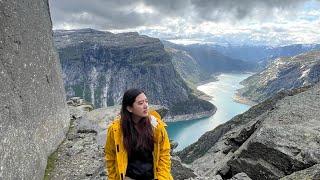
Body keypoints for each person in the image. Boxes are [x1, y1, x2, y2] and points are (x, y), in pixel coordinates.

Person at [105, 88, 173, 180]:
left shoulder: (156, 127)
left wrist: (162, 178)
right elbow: (111, 157)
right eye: (141, 103)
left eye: (146, 102)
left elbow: (164, 155)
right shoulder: (115, 130)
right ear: (129, 108)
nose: (146, 106)